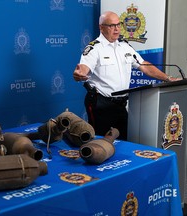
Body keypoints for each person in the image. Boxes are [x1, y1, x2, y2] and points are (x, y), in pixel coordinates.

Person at [73, 11, 180, 140]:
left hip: (121, 104)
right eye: (112, 26)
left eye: (119, 24)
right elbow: (83, 69)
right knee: (100, 142)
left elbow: (144, 66)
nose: (117, 29)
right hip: (101, 104)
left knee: (124, 140)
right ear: (101, 27)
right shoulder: (94, 48)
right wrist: (80, 74)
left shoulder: (125, 47)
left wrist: (168, 78)